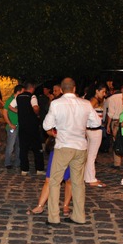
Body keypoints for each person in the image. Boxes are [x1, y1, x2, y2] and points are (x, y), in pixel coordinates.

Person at [43, 78, 100, 225]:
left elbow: (46, 125)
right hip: (80, 147)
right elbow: (96, 122)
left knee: (55, 181)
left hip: (63, 146)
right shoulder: (86, 104)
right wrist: (82, 123)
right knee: (78, 183)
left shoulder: (56, 104)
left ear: (61, 90)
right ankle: (79, 216)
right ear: (74, 89)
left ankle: (54, 217)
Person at [26, 130, 72, 218]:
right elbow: (48, 128)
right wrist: (56, 134)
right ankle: (40, 206)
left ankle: (66, 205)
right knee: (49, 179)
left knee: (69, 179)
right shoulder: (58, 116)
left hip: (74, 147)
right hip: (58, 148)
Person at [10, 82, 45, 175]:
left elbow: (10, 106)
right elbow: (36, 107)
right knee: (37, 148)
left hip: (22, 126)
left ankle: (24, 169)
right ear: (32, 88)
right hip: (32, 126)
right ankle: (39, 169)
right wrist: (37, 114)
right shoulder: (32, 97)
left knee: (23, 148)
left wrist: (20, 112)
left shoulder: (19, 97)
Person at [84, 84, 107, 187]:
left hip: (90, 130)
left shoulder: (92, 99)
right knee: (92, 156)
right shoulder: (94, 100)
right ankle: (91, 179)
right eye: (103, 91)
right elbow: (86, 111)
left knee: (89, 155)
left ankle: (87, 177)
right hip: (95, 130)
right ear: (97, 91)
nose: (104, 94)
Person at [105, 83, 123, 169]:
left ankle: (117, 162)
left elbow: (110, 113)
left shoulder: (111, 99)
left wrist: (108, 125)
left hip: (116, 121)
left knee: (116, 141)